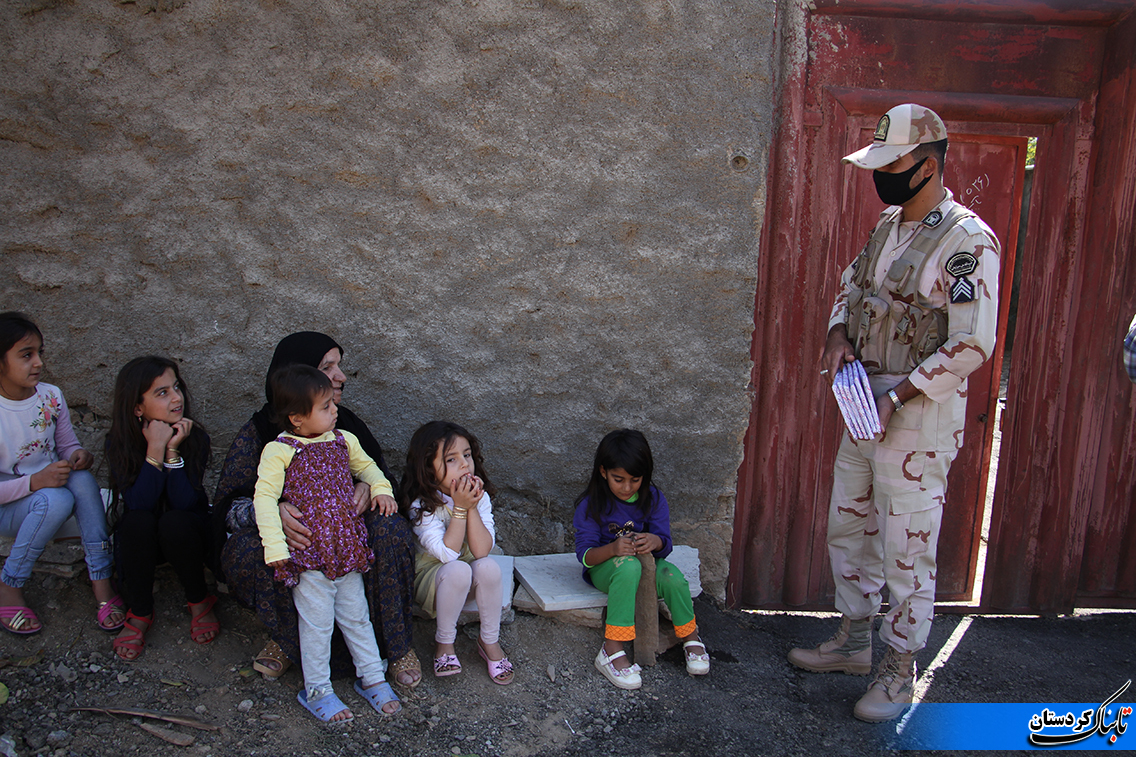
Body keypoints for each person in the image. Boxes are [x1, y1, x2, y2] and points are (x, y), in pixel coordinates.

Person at [788, 103, 1000, 722]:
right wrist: (837, 334)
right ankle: (854, 643)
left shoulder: (966, 241)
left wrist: (897, 396)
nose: (880, 176)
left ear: (928, 166)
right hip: (864, 403)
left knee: (907, 548)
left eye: (891, 164)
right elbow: (851, 288)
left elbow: (973, 343)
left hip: (916, 413)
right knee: (849, 526)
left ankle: (899, 668)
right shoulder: (887, 225)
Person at [214, 332, 421, 687]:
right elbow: (227, 508)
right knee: (245, 550)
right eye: (328, 368)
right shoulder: (261, 434)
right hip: (298, 540)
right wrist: (273, 513)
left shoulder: (345, 426)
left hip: (346, 535)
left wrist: (367, 486)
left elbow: (380, 476)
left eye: (339, 366)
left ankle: (396, 644)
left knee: (390, 529)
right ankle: (287, 640)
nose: (340, 377)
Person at [254, 365, 400, 721]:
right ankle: (318, 689)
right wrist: (275, 546)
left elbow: (369, 469)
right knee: (316, 626)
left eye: (333, 404)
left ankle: (373, 678)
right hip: (309, 556)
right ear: (297, 418)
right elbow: (265, 498)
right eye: (325, 407)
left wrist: (380, 489)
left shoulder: (343, 440)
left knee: (357, 618)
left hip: (346, 551)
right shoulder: (280, 451)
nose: (335, 410)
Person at [0, 312, 121, 635]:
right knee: (56, 499)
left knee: (81, 480)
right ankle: (9, 584)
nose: (38, 362)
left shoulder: (50, 396)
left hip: (50, 493)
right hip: (9, 507)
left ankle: (101, 579)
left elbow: (66, 445)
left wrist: (77, 455)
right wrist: (34, 482)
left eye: (39, 352)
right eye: (26, 355)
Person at [573, 429, 708, 690]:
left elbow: (665, 543)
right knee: (628, 566)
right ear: (603, 472)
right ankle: (612, 648)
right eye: (618, 479)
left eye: (635, 480)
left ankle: (690, 637)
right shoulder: (591, 505)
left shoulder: (654, 499)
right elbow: (586, 556)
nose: (627, 487)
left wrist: (655, 541)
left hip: (646, 566)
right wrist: (613, 549)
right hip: (606, 569)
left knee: (672, 577)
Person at [105, 356, 219, 660]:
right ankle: (140, 611)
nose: (176, 398)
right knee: (136, 521)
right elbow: (138, 503)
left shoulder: (195, 438)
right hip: (144, 540)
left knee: (175, 521)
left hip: (188, 536)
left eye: (176, 387)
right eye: (162, 393)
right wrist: (154, 448)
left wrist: (171, 451)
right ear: (137, 408)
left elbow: (184, 502)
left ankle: (199, 600)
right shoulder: (119, 443)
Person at [400, 421, 514, 685]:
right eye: (451, 459)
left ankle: (489, 641)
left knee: (489, 566)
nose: (464, 464)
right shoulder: (422, 506)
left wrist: (471, 506)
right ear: (429, 469)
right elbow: (447, 555)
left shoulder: (479, 497)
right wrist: (460, 508)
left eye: (467, 455)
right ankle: (444, 642)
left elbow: (482, 551)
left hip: (468, 573)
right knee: (458, 569)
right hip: (434, 580)